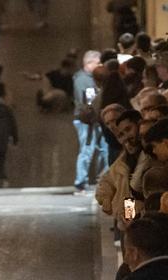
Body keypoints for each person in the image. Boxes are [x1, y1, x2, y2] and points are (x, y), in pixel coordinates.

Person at [72, 51, 102, 193]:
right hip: (86, 121)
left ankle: (101, 180)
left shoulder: (92, 78)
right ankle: (80, 182)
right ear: (89, 63)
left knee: (103, 149)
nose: (100, 65)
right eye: (97, 63)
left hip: (95, 119)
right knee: (87, 150)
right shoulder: (82, 80)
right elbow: (85, 101)